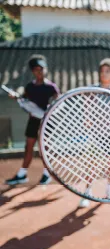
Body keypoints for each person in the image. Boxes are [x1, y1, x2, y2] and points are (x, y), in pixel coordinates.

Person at [78, 58, 110, 208]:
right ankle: (87, 192)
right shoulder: (93, 89)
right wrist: (87, 121)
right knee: (91, 163)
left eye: (107, 71)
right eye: (102, 71)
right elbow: (86, 107)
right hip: (96, 134)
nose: (104, 74)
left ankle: (109, 189)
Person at [6, 54, 60, 186]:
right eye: (36, 69)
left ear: (45, 69)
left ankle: (47, 174)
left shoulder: (51, 87)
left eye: (42, 68)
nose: (40, 71)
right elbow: (23, 99)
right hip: (33, 121)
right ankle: (22, 174)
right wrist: (15, 96)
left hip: (47, 122)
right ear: (32, 71)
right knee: (28, 147)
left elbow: (58, 101)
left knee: (45, 149)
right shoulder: (29, 87)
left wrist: (51, 108)